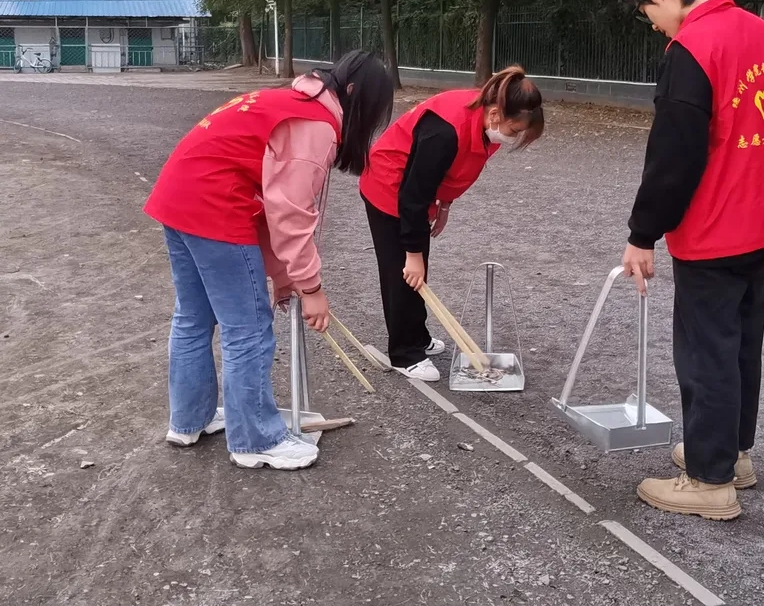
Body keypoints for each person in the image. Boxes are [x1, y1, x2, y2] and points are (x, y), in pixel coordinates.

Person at [144, 51, 394, 471]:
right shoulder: (314, 124)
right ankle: (255, 439)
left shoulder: (285, 101)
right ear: (354, 94)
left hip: (178, 198)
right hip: (215, 208)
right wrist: (312, 288)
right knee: (248, 329)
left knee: (193, 318)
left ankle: (189, 420)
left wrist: (282, 275)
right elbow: (290, 213)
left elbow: (266, 204)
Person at [619, 0, 764, 521]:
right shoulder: (762, 33)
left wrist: (643, 233)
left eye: (648, 10)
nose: (653, 24)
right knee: (741, 343)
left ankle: (709, 480)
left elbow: (673, 156)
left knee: (706, 354)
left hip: (716, 231)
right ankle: (732, 454)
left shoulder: (692, 49)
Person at [360, 66, 544, 382]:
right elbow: (412, 196)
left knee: (417, 272)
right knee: (401, 271)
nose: (512, 138)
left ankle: (417, 336)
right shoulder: (444, 131)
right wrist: (413, 253)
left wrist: (444, 203)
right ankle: (404, 353)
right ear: (496, 113)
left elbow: (454, 168)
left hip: (414, 192)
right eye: (514, 131)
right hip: (389, 186)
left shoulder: (484, 118)